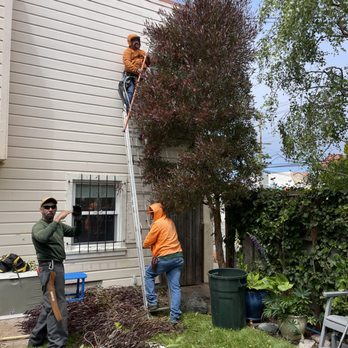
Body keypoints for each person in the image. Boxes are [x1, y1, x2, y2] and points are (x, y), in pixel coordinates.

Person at [28, 197, 82, 348]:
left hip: (58, 267)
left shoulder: (58, 226)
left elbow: (76, 233)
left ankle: (35, 340)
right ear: (41, 209)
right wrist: (57, 219)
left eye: (53, 206)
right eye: (47, 207)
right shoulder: (38, 227)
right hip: (49, 269)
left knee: (49, 305)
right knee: (57, 305)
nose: (50, 209)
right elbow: (43, 238)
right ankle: (56, 344)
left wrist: (78, 218)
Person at [143, 203, 184, 325]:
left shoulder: (157, 224)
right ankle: (174, 317)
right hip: (178, 258)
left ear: (157, 213)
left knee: (148, 274)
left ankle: (153, 302)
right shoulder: (170, 221)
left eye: (152, 214)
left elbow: (146, 243)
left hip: (166, 258)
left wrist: (152, 244)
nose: (151, 216)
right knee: (175, 288)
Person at [121, 33, 150, 111]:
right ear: (130, 42)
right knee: (130, 92)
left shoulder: (142, 52)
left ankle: (139, 112)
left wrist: (147, 58)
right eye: (134, 41)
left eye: (138, 41)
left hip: (140, 77)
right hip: (130, 76)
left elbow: (148, 63)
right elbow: (127, 63)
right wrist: (136, 69)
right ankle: (126, 109)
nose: (137, 42)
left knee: (141, 95)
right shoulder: (128, 51)